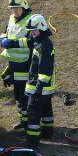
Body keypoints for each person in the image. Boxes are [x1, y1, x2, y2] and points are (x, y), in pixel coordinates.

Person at [0, 0, 33, 128]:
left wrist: (12, 43)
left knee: (25, 95)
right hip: (13, 63)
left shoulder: (30, 21)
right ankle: (22, 120)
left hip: (25, 64)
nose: (14, 10)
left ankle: (28, 122)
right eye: (12, 8)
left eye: (16, 8)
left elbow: (30, 41)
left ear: (24, 7)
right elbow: (5, 32)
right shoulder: (11, 19)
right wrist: (3, 38)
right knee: (17, 95)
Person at [24, 14, 55, 145]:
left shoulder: (43, 45)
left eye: (34, 30)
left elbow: (44, 69)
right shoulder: (41, 41)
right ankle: (48, 132)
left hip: (39, 87)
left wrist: (38, 88)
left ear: (41, 28)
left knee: (33, 114)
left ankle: (32, 141)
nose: (32, 33)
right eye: (31, 31)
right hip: (46, 88)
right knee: (46, 110)